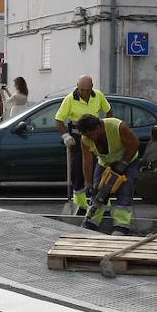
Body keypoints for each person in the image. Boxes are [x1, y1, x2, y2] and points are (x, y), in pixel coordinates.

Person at [54, 75, 112, 214]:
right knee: (78, 171)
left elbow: (109, 111)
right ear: (77, 86)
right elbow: (58, 120)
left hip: (95, 135)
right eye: (81, 89)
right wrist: (66, 136)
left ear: (91, 87)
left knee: (100, 169)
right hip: (77, 135)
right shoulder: (70, 99)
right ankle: (81, 204)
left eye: (86, 90)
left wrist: (105, 129)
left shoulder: (98, 96)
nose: (83, 93)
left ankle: (101, 202)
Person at [76, 113, 141, 235]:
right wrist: (88, 183)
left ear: (99, 127)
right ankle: (91, 222)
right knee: (98, 191)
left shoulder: (117, 126)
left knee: (125, 192)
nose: (91, 138)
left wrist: (124, 163)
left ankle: (121, 226)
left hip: (128, 160)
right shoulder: (86, 139)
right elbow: (87, 160)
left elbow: (134, 144)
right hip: (105, 163)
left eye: (91, 134)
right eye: (87, 136)